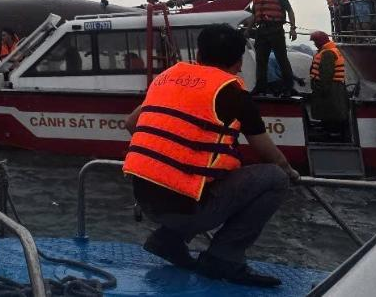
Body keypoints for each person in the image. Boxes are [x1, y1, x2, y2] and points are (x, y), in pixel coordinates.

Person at [123, 24, 299, 287]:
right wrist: (291, 172)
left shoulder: (168, 78)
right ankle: (223, 258)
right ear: (238, 62)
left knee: (192, 182)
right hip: (189, 211)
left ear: (198, 54)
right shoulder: (234, 93)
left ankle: (168, 240)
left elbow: (131, 123)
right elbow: (271, 156)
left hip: (144, 199)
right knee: (276, 178)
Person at [248, 0, 296, 96]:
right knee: (260, 60)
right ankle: (260, 87)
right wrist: (247, 30)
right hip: (261, 30)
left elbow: (289, 10)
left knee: (282, 59)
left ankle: (288, 87)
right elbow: (254, 15)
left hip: (276, 29)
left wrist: (293, 28)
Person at [307, 31, 349, 127]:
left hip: (330, 87)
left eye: (315, 41)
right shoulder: (331, 50)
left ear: (320, 41)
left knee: (329, 110)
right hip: (333, 85)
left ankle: (331, 130)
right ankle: (329, 127)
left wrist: (323, 89)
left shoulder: (328, 53)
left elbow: (326, 73)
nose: (314, 44)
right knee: (330, 110)